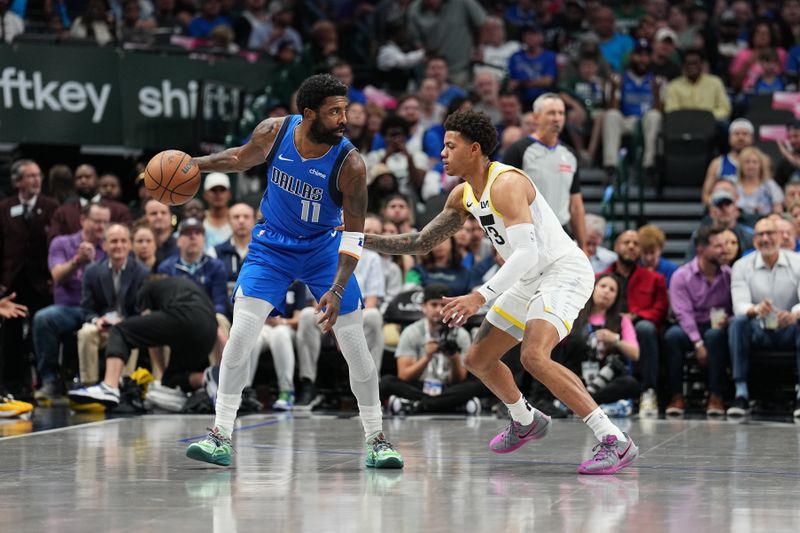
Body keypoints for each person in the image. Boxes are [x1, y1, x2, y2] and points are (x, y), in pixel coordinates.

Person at [365, 110, 638, 474]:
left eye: (450, 146)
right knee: (477, 359)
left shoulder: (506, 183)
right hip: (527, 278)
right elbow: (419, 242)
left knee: (534, 357)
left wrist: (479, 295)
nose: (442, 153)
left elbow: (528, 252)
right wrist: (359, 238)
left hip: (561, 271)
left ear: (475, 149)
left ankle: (613, 439)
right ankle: (525, 419)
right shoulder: (463, 194)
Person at [181, 74, 403, 468]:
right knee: (240, 338)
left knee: (356, 349)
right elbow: (236, 158)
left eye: (345, 110)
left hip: (323, 251)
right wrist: (193, 165)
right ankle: (219, 434)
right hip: (271, 247)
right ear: (308, 114)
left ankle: (377, 439)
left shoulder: (351, 164)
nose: (343, 119)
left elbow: (354, 236)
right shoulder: (273, 132)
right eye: (335, 112)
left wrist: (335, 289)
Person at [728, 217, 800, 419]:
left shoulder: (798, 262)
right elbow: (739, 305)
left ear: (780, 236)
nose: (766, 238)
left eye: (770, 233)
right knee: (738, 323)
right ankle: (740, 393)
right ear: (754, 240)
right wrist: (756, 309)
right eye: (760, 234)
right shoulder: (741, 266)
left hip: (790, 328)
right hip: (758, 329)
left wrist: (793, 314)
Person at [381, 284, 485, 414]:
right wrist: (427, 357)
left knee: (478, 383)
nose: (438, 310)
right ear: (423, 307)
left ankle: (417, 405)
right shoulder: (411, 332)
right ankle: (450, 405)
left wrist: (454, 358)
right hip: (419, 386)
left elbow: (459, 379)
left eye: (443, 305)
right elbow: (404, 375)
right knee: (387, 382)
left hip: (448, 387)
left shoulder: (460, 334)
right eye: (434, 305)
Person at [503, 93, 587, 252]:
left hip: (562, 233)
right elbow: (504, 199)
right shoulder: (519, 150)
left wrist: (583, 245)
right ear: (536, 117)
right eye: (551, 113)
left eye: (561, 113)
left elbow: (576, 205)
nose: (557, 118)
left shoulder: (570, 154)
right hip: (529, 234)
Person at [664, 226, 731, 417]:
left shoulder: (728, 274)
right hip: (689, 326)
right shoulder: (681, 276)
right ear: (702, 250)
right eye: (718, 246)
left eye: (725, 244)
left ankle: (716, 396)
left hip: (716, 327)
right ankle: (676, 396)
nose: (725, 249)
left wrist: (729, 319)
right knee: (672, 336)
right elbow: (683, 314)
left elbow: (735, 308)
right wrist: (697, 343)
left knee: (716, 335)